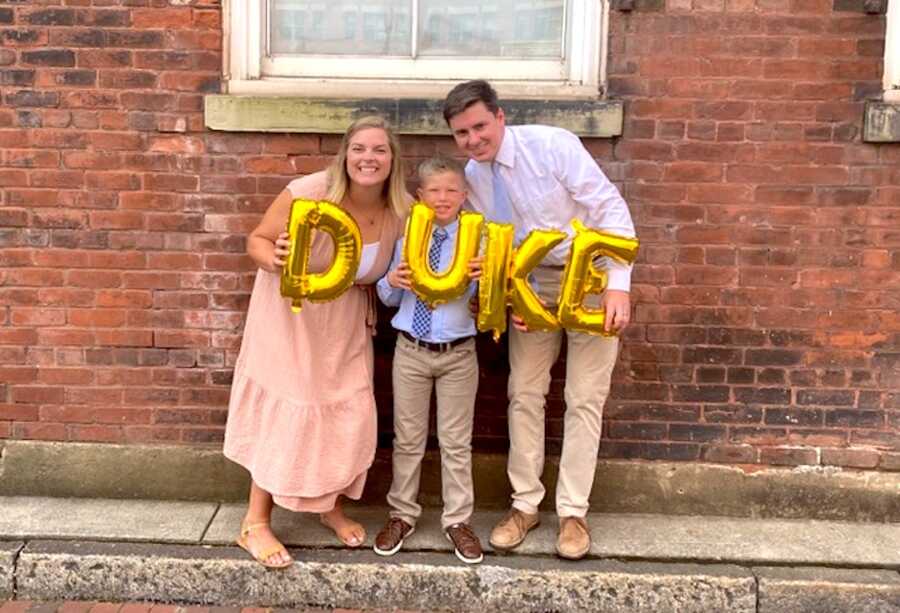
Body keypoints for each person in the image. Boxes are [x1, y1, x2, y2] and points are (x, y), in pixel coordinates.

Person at [442, 80, 636, 560]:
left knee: (584, 397)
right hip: (531, 285)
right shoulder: (474, 176)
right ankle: (524, 505)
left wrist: (618, 283)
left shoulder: (552, 146)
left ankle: (573, 513)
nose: (473, 139)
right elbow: (493, 243)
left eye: (480, 126)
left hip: (587, 277)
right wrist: (508, 294)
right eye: (462, 132)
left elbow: (607, 206)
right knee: (524, 393)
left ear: (500, 117)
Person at [223, 116, 410, 569]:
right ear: (345, 154)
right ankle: (255, 522)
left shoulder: (400, 210)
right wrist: (276, 257)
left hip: (345, 322)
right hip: (291, 318)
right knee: (290, 410)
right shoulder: (308, 192)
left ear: (393, 159)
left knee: (345, 410)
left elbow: (390, 273)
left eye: (379, 150)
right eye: (360, 149)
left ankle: (329, 506)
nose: (369, 158)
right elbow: (257, 240)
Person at [372, 156, 484, 565]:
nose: (443, 198)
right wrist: (391, 281)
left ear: (464, 195)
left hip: (458, 354)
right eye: (434, 190)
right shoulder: (407, 240)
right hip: (411, 351)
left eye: (451, 190)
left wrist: (484, 286)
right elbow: (386, 298)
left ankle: (457, 520)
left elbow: (490, 307)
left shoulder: (478, 243)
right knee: (408, 439)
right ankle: (402, 514)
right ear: (419, 196)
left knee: (457, 442)